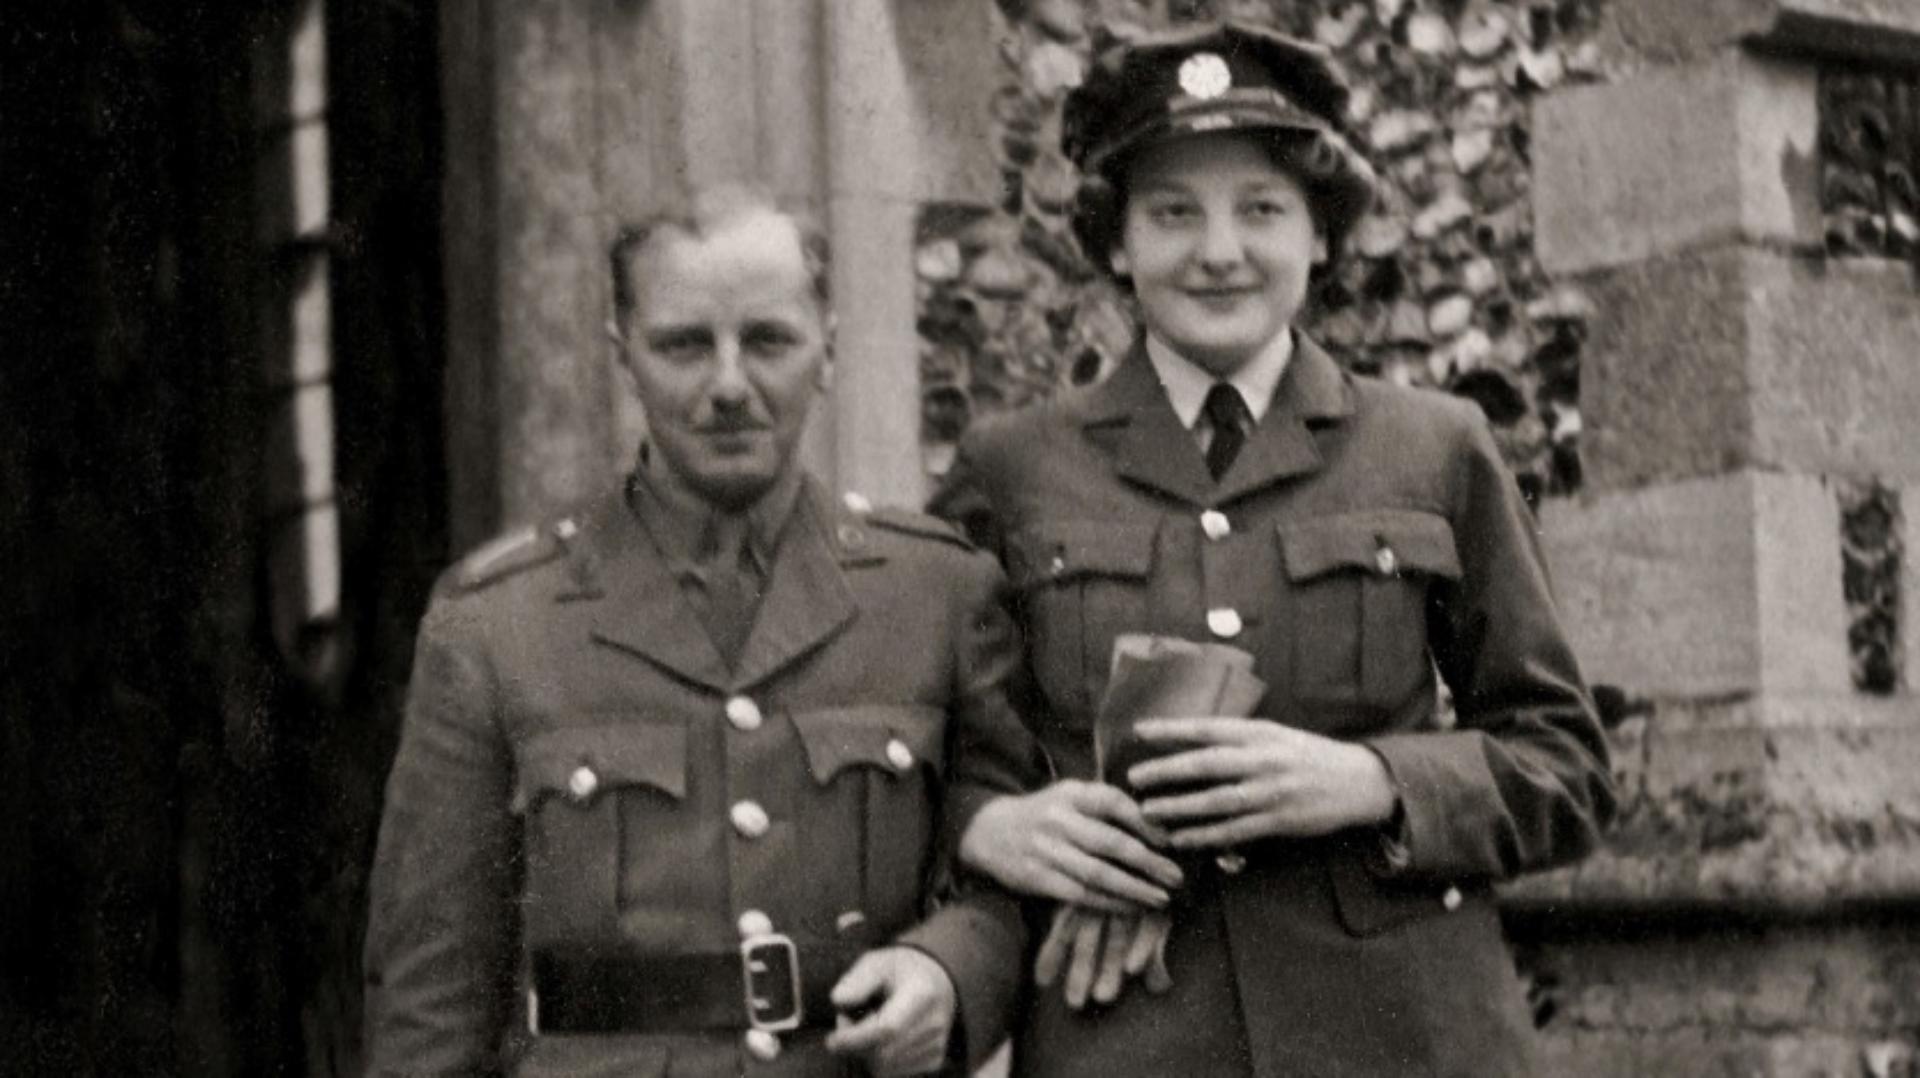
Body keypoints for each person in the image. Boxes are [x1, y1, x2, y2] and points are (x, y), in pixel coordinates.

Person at [932, 22, 1618, 1078]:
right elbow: (936, 758)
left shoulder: (1435, 445)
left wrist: (1371, 780)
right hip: (1128, 1036)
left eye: (1262, 210)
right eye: (1172, 213)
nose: (1219, 252)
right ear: (1115, 243)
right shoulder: (1012, 466)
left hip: (1403, 1038)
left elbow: (1565, 765)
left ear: (1324, 236)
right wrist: (993, 830)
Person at [364, 185, 1044, 1077]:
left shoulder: (935, 594)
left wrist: (949, 971)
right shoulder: (497, 625)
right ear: (625, 357)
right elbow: (431, 990)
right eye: (684, 345)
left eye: (768, 341)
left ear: (828, 351)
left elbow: (1013, 869)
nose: (729, 385)